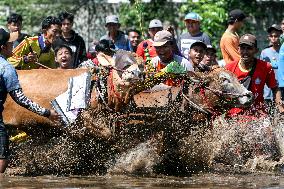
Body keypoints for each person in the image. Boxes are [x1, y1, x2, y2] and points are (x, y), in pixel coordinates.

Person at [0, 28, 59, 173]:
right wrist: (46, 112)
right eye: (10, 43)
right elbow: (20, 99)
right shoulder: (6, 68)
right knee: (2, 156)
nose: (13, 45)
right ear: (3, 47)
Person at [225, 34, 284, 117]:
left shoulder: (266, 67)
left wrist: (279, 105)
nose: (245, 51)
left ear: (256, 50)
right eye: (242, 48)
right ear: (238, 49)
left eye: (249, 48)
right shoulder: (229, 68)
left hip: (257, 114)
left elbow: (275, 88)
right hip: (234, 115)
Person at [260, 24, 282, 111]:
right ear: (268, 37)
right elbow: (261, 71)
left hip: (281, 87)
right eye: (271, 36)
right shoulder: (265, 52)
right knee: (270, 114)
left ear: (280, 36)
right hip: (268, 90)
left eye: (276, 36)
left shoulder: (282, 51)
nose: (273, 38)